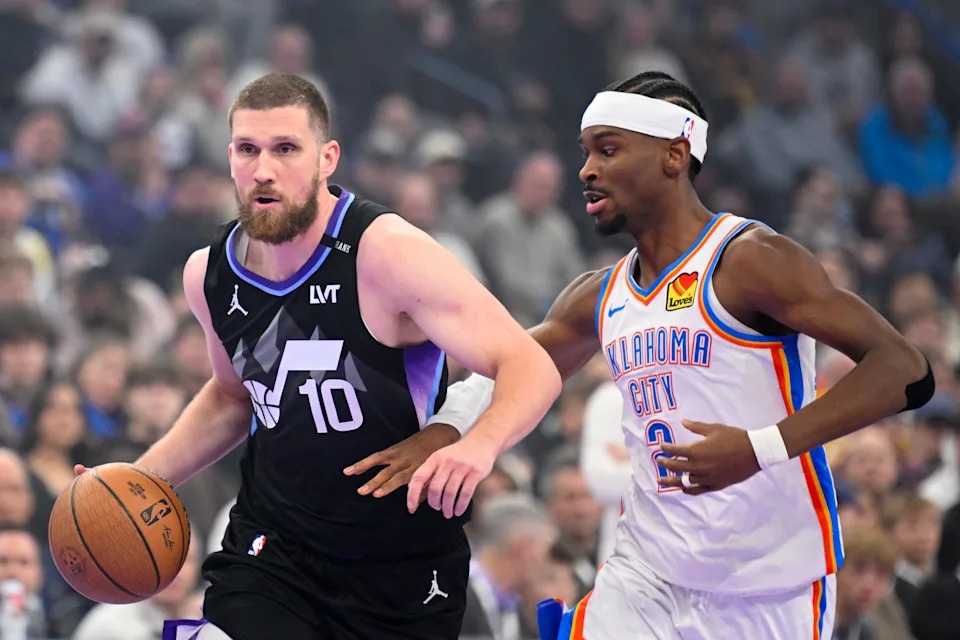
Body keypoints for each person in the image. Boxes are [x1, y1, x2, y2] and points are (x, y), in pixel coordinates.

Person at [365, 71, 935, 638]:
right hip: (646, 576)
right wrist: (444, 431)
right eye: (586, 152)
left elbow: (905, 370)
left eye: (609, 150)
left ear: (675, 155)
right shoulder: (599, 294)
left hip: (766, 585)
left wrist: (759, 448)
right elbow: (514, 369)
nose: (587, 170)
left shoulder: (750, 260)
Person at [78, 73, 561, 639]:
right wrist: (137, 480)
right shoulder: (207, 274)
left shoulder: (386, 253)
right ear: (229, 157)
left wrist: (475, 443)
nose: (264, 169)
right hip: (273, 552)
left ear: (327, 158)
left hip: (400, 566)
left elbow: (531, 365)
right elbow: (234, 396)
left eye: (286, 149)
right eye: (247, 150)